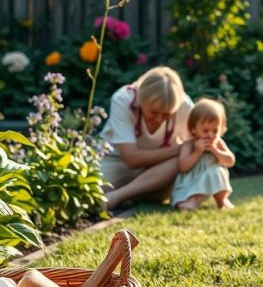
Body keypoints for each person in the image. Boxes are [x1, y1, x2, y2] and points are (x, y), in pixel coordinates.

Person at [101, 66, 193, 210]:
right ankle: (140, 192)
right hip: (116, 161)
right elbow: (131, 159)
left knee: (180, 162)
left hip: (161, 168)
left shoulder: (184, 105)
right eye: (154, 112)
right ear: (141, 98)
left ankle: (117, 196)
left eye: (166, 114)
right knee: (94, 193)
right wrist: (177, 150)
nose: (159, 119)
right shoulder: (122, 99)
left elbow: (198, 143)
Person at [171, 97, 235, 211]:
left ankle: (222, 200)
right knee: (185, 196)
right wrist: (197, 152)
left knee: (218, 171)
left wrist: (216, 151)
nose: (210, 135)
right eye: (205, 131)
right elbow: (182, 167)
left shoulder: (218, 142)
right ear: (194, 129)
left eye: (215, 131)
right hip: (192, 180)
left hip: (213, 178)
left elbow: (230, 161)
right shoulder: (189, 144)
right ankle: (193, 200)